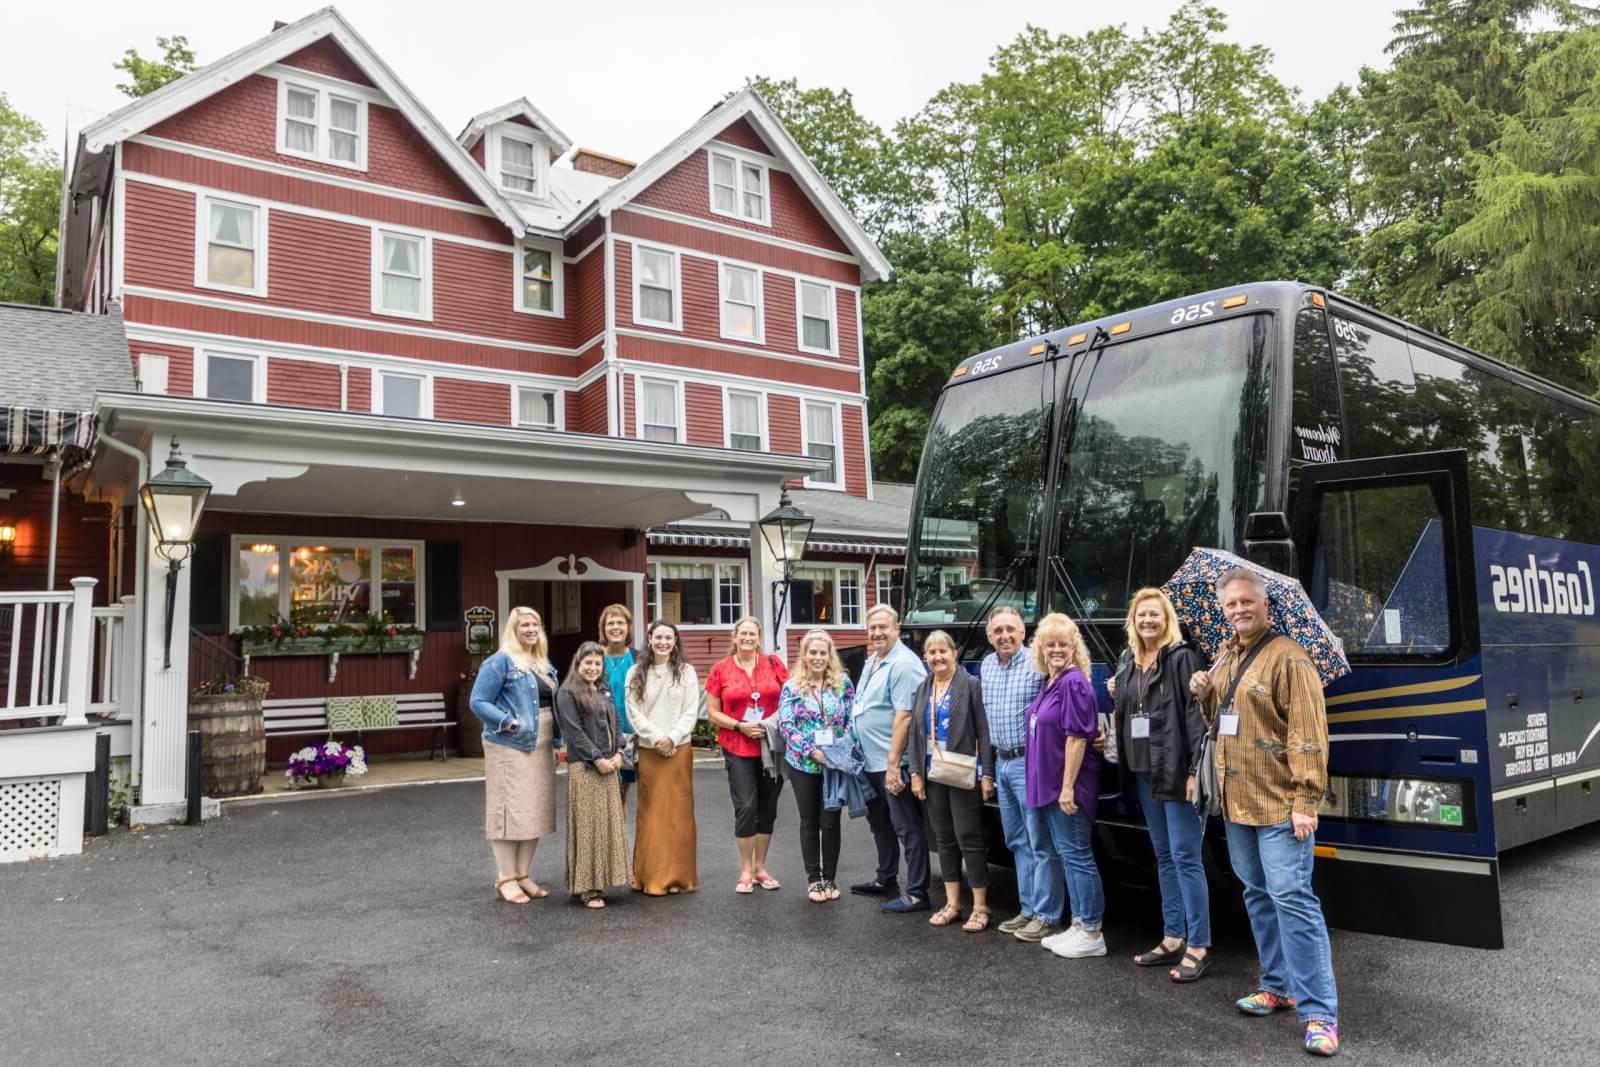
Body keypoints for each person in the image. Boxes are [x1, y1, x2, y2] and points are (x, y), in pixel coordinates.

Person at [1189, 568, 1340, 1057]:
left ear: (1265, 606)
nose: (1237, 610)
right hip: (1237, 804)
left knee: (1293, 900)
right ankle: (1276, 985)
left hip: (1279, 806)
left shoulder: (1291, 659)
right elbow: (1221, 725)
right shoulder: (1226, 657)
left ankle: (1319, 1015)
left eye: (1245, 603)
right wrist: (1206, 692)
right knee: (1257, 895)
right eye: (1230, 605)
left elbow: (1309, 736)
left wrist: (1305, 802)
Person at [1108, 588, 1212, 980]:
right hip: (1142, 771)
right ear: (1132, 622)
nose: (1147, 621)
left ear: (1166, 619)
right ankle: (1173, 938)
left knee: (1186, 857)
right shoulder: (1127, 661)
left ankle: (1199, 945)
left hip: (1175, 771)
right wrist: (1115, 692)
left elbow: (1194, 717)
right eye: (1140, 615)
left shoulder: (1182, 658)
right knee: (1164, 856)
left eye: (1154, 614)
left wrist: (1193, 772)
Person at [1025, 612, 1107, 958]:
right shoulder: (1050, 682)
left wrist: (1068, 787)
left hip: (1067, 787)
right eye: (1050, 643)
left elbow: (1077, 739)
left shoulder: (1073, 682)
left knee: (1077, 855)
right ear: (1040, 648)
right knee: (1067, 855)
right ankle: (1077, 923)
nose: (1056, 649)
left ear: (1075, 647)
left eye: (1063, 644)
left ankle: (1092, 932)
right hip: (1051, 785)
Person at [979, 606, 1062, 944]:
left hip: (1030, 762)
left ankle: (1048, 915)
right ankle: (1028, 909)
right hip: (1002, 763)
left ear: (1023, 633)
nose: (1005, 636)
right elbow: (983, 723)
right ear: (989, 636)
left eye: (1011, 629)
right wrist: (987, 770)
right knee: (1016, 841)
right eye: (998, 631)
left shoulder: (1037, 662)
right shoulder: (986, 665)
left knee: (1040, 841)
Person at [905, 630, 996, 932]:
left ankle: (981, 907)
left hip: (962, 769)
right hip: (933, 773)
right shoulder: (923, 688)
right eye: (931, 652)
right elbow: (915, 735)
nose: (937, 657)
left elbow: (983, 731)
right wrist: (915, 773)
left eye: (942, 651)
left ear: (954, 653)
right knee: (943, 838)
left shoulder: (970, 685)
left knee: (969, 837)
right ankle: (953, 903)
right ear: (925, 657)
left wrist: (987, 774)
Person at [468, 606, 559, 904]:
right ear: (513, 630)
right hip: (509, 743)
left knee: (535, 807)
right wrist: (507, 721)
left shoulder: (542, 663)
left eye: (535, 624)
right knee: (508, 810)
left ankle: (523, 874)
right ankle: (505, 877)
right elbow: (478, 701)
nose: (531, 630)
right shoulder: (500, 662)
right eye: (524, 626)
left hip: (542, 742)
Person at [852, 604, 930, 913]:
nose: (877, 633)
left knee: (906, 826)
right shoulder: (873, 660)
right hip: (869, 761)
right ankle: (886, 878)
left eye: (884, 627)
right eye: (872, 628)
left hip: (893, 763)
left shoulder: (904, 664)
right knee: (880, 824)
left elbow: (905, 717)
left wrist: (894, 764)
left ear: (897, 629)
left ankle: (918, 892)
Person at [704, 616, 788, 893]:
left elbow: (788, 700)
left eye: (753, 634)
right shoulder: (721, 669)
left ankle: (761, 868)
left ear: (759, 637)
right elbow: (713, 712)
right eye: (743, 634)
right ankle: (745, 870)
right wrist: (740, 725)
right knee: (746, 806)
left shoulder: (774, 665)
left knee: (768, 807)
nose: (748, 638)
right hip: (737, 745)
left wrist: (767, 724)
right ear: (735, 637)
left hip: (771, 744)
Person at [776, 629, 855, 902]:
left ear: (829, 655)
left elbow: (850, 719)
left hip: (834, 764)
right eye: (813, 652)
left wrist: (838, 750)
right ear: (804, 656)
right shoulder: (792, 686)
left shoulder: (842, 683)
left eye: (823, 652)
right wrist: (812, 751)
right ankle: (814, 879)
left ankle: (830, 878)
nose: (818, 657)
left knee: (831, 820)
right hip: (803, 764)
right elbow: (786, 725)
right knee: (809, 821)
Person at [626, 619, 700, 895]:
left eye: (669, 638)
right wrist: (658, 738)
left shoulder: (686, 672)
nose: (663, 642)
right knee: (653, 814)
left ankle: (679, 877)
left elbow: (691, 710)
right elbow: (632, 711)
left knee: (679, 815)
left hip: (679, 750)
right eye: (658, 637)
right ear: (649, 638)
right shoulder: (636, 671)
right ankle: (651, 878)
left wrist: (673, 737)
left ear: (675, 640)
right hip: (650, 750)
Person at [554, 641, 630, 909]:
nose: (593, 667)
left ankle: (599, 880)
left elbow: (617, 721)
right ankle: (587, 888)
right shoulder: (567, 692)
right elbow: (573, 731)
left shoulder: (603, 689)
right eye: (588, 663)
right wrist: (597, 758)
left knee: (605, 826)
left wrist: (620, 752)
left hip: (610, 764)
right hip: (586, 767)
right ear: (578, 663)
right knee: (587, 827)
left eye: (598, 663)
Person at [598, 603, 641, 802]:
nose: (616, 627)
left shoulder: (639, 658)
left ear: (628, 627)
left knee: (621, 794)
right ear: (603, 628)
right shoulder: (593, 656)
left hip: (630, 735)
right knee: (602, 794)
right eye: (610, 623)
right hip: (600, 735)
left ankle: (620, 834)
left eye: (620, 622)